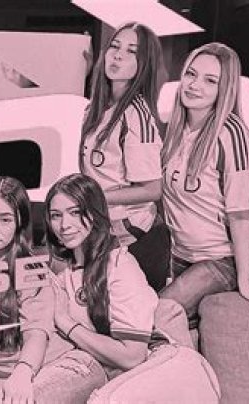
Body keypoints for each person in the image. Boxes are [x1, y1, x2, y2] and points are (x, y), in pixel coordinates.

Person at [159, 42, 249, 319]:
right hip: (184, 253)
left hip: (225, 256)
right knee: (178, 328)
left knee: (158, 313)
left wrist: (244, 281)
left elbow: (241, 214)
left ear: (225, 89)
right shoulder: (175, 129)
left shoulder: (231, 134)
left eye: (210, 81)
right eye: (191, 74)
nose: (195, 85)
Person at [0, 176, 106, 403]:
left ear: (19, 224)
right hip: (13, 376)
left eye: (5, 219)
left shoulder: (30, 271)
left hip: (64, 366)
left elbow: (36, 332)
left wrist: (23, 372)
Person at [78, 22, 170, 291]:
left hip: (134, 237)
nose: (118, 55)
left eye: (131, 51)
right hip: (102, 228)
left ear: (144, 64)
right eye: (115, 47)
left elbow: (152, 189)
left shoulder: (136, 115)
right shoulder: (97, 108)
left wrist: (96, 197)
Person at [45, 174, 159, 380]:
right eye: (56, 215)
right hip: (80, 368)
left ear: (95, 213)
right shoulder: (63, 270)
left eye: (75, 212)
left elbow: (132, 356)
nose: (64, 225)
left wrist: (66, 323)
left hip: (133, 378)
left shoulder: (120, 266)